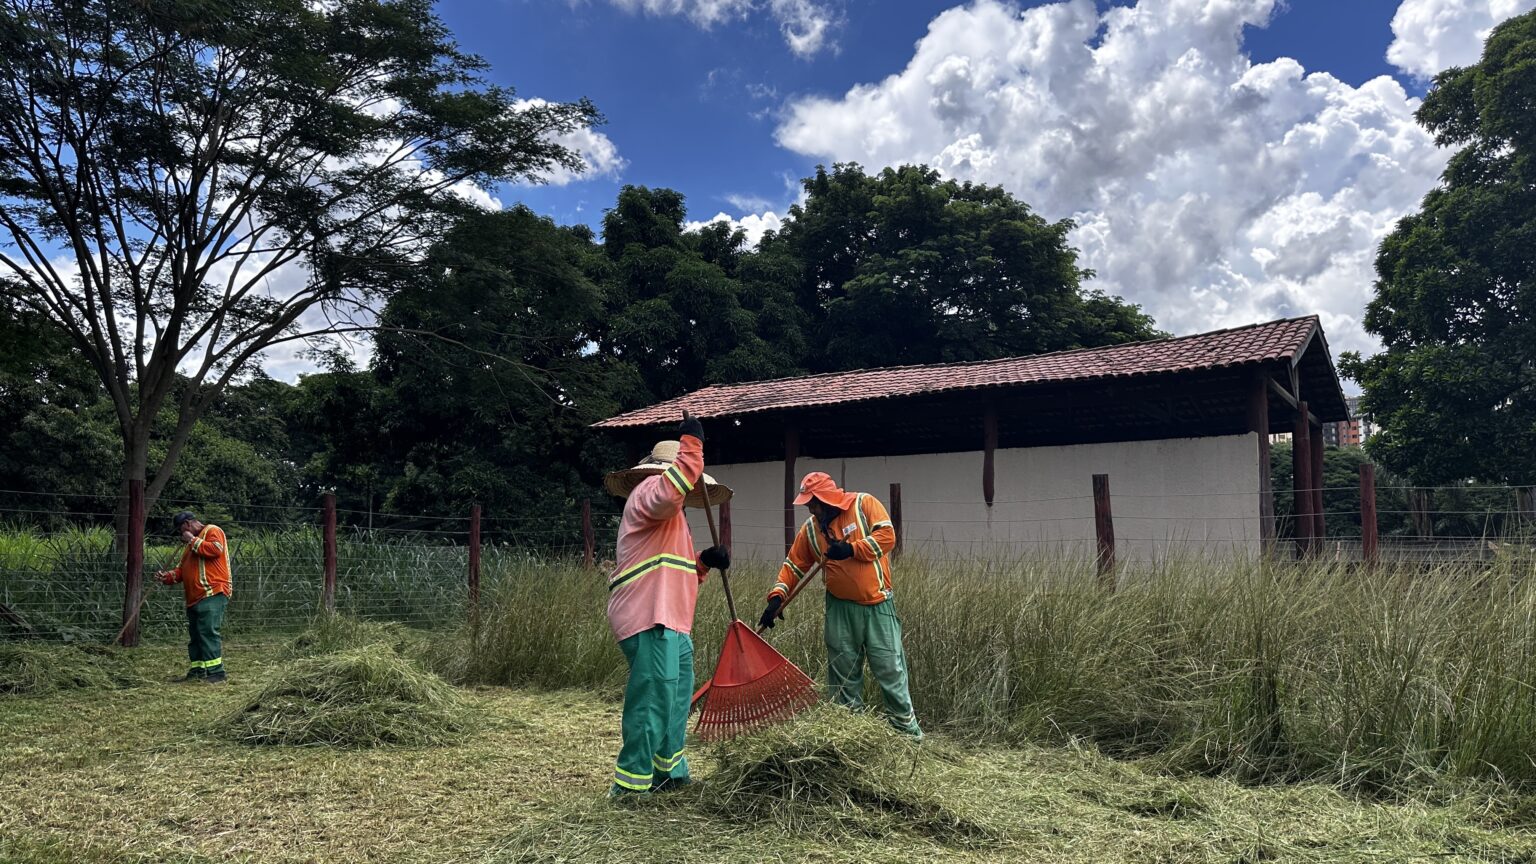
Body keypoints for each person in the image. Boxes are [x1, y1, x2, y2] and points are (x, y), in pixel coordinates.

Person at [602, 412, 731, 795]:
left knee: (675, 702)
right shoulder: (649, 493)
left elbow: (675, 573)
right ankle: (629, 785)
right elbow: (672, 487)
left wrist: (704, 563)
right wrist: (692, 445)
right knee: (653, 701)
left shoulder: (673, 518)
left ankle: (669, 773)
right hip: (649, 618)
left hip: (673, 621)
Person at [758, 472, 922, 739]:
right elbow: (794, 565)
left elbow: (887, 537)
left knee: (890, 669)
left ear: (827, 499)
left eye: (813, 503)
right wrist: (777, 596)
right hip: (840, 610)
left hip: (877, 605)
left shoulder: (864, 505)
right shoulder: (811, 530)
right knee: (843, 674)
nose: (810, 508)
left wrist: (852, 550)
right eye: (808, 504)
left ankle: (907, 735)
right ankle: (849, 736)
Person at [156, 511, 232, 684]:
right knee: (196, 635)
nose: (180, 534)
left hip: (212, 591)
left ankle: (217, 673)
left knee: (208, 632)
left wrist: (191, 539)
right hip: (194, 597)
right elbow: (182, 572)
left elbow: (215, 550)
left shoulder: (213, 530)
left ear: (188, 525)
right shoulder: (189, 548)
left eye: (180, 530)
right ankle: (197, 671)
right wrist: (166, 576)